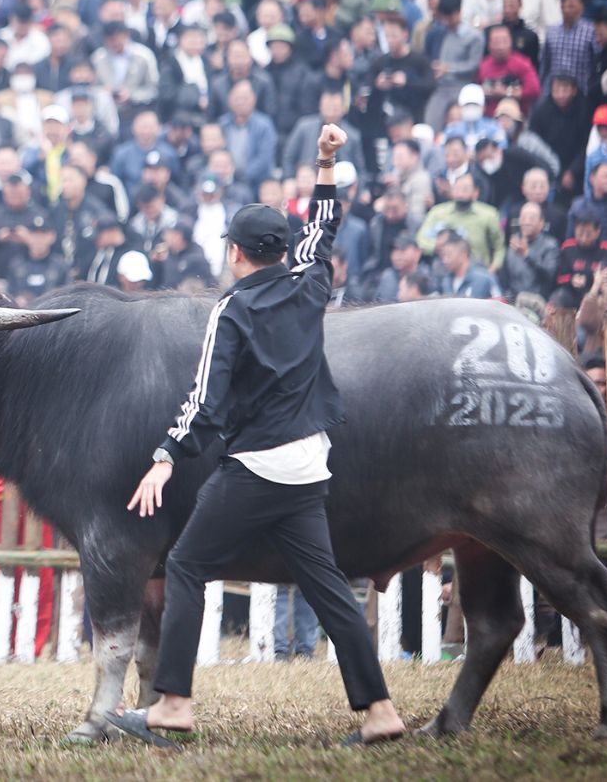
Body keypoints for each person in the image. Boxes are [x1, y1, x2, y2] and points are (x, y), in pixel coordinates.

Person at [109, 125, 405, 747]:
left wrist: (165, 455)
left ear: (237, 254)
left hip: (260, 464)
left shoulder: (232, 310)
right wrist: (327, 163)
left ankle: (173, 706)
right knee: (326, 584)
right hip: (309, 460)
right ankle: (379, 711)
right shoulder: (310, 285)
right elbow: (323, 230)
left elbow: (206, 404)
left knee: (186, 564)